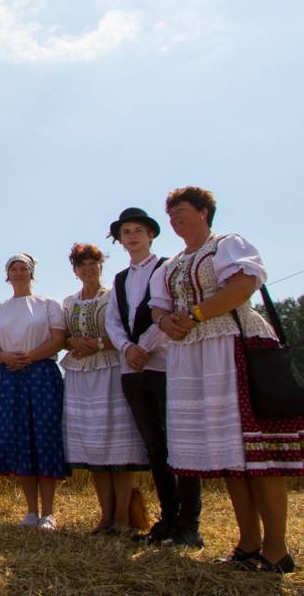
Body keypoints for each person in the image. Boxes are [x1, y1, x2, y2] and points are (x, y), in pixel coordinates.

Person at [150, 187, 304, 573]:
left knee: (259, 455)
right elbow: (157, 308)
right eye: (170, 213)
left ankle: (277, 550)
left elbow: (244, 286)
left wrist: (196, 314)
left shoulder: (226, 245)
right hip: (195, 356)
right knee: (229, 456)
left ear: (204, 211)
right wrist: (166, 322)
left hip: (235, 345)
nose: (174, 218)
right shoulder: (171, 266)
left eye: (181, 210)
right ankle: (248, 543)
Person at [104, 207, 202, 545]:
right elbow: (113, 321)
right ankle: (168, 519)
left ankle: (190, 524)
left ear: (150, 235)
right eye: (126, 232)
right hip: (132, 370)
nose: (131, 237)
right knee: (155, 447)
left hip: (164, 364)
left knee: (180, 443)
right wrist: (127, 348)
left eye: (137, 231)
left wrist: (143, 346)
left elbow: (169, 312)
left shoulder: (167, 268)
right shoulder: (120, 279)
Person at [60, 243, 147, 534]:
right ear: (74, 270)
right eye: (81, 264)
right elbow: (64, 336)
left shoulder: (113, 297)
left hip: (110, 371)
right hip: (80, 376)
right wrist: (73, 342)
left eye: (92, 263)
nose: (88, 269)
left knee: (117, 444)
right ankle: (106, 516)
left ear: (101, 266)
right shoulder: (69, 303)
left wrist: (97, 344)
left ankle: (122, 517)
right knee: (95, 446)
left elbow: (126, 333)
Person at [0, 253, 68, 531]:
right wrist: (5, 357)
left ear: (31, 273)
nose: (19, 272)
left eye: (23, 268)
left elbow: (58, 339)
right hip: (10, 375)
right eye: (14, 269)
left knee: (44, 435)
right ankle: (31, 510)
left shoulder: (48, 304)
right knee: (20, 437)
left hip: (41, 373)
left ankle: (49, 512)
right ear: (7, 275)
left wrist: (30, 356)